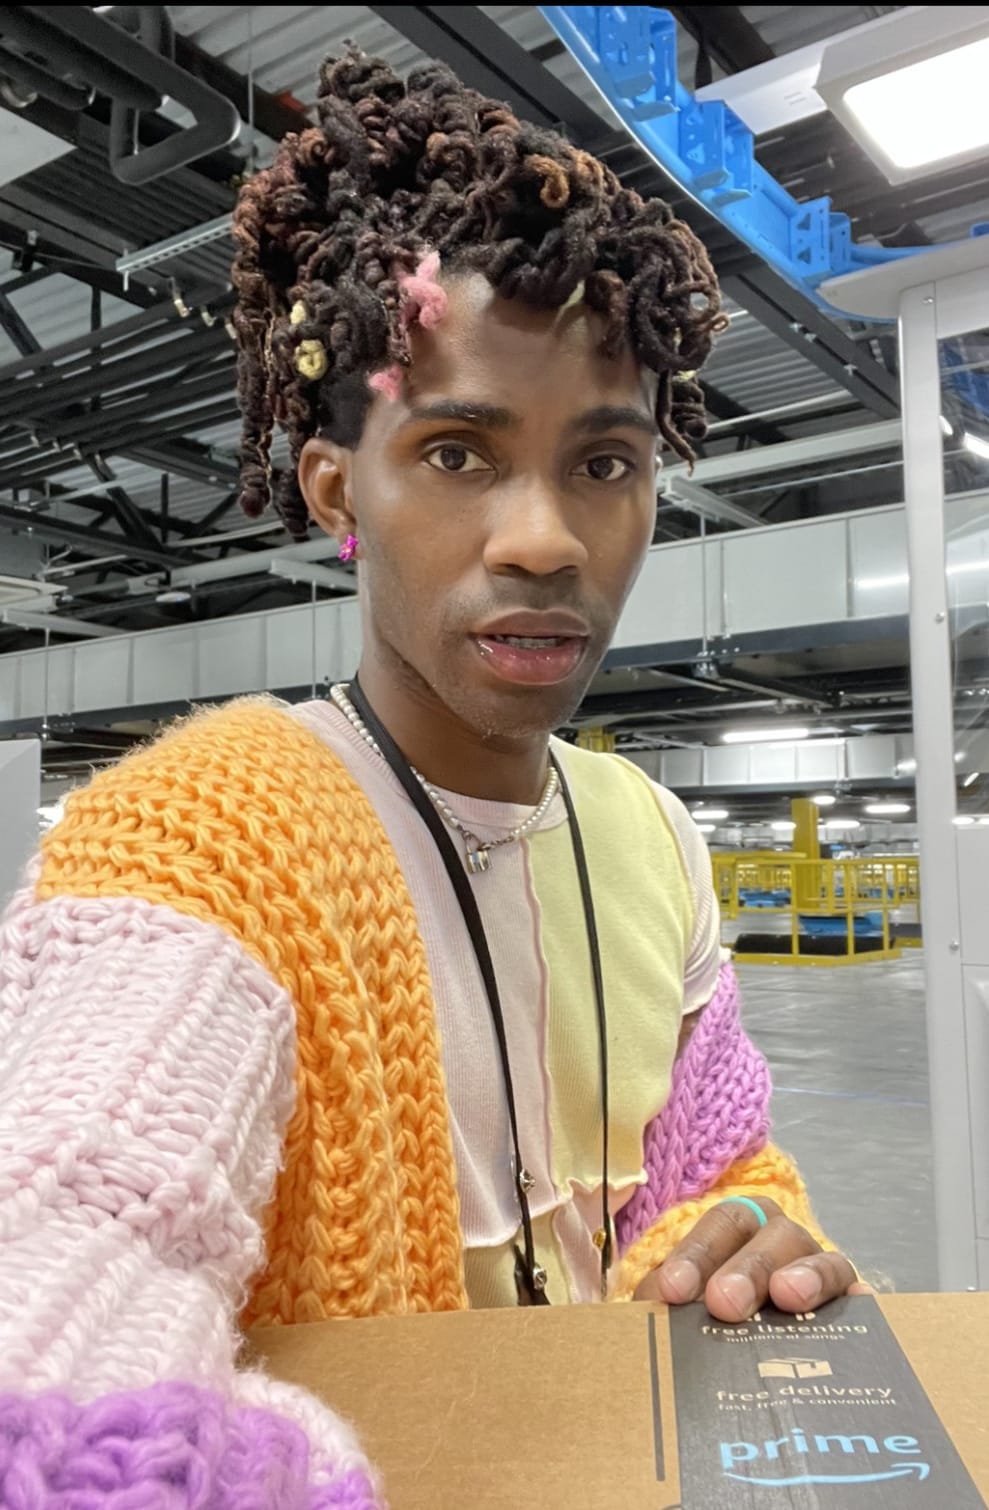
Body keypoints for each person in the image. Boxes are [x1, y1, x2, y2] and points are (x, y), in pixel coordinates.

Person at [0, 50, 866, 1507]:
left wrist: (732, 1247)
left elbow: (718, 1170)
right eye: (458, 452)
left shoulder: (651, 835)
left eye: (605, 464)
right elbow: (62, 1235)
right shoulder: (207, 837)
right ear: (338, 489)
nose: (544, 539)